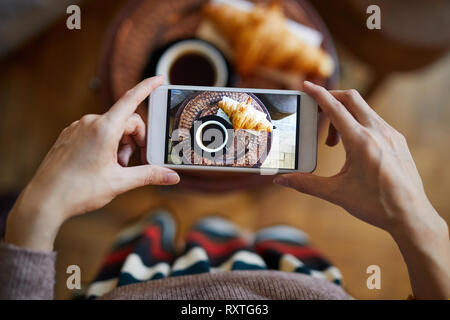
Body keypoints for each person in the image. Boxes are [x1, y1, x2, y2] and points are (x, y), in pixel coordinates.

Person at [0, 76, 448, 300]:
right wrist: (421, 225)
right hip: (293, 270)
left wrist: (35, 216)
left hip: (138, 274)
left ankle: (157, 229)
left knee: (151, 229)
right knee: (281, 239)